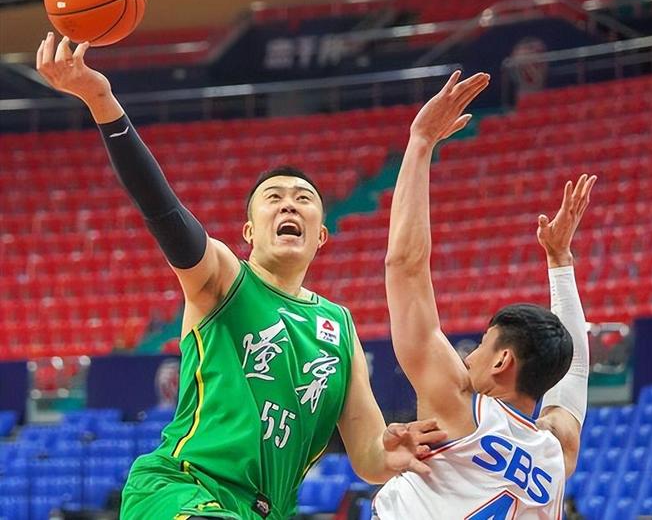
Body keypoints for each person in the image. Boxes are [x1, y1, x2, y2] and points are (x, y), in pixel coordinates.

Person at [36, 32, 446, 520]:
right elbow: (163, 211)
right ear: (249, 232)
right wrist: (102, 101)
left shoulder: (339, 328)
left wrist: (390, 453)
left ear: (321, 236)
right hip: (183, 489)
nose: (289, 204)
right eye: (274, 198)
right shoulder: (224, 279)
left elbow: (368, 452)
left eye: (303, 198)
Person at [375, 70, 595, 519]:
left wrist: (420, 143)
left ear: (502, 361)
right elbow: (573, 371)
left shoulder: (459, 405)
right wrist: (559, 261)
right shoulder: (553, 454)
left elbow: (405, 268)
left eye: (480, 346)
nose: (469, 356)